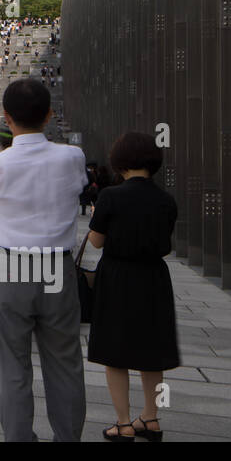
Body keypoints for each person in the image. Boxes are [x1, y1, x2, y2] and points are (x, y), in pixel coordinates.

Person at [0, 78, 87, 442]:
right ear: (49, 115)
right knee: (65, 362)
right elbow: (78, 187)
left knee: (13, 363)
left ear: (6, 118)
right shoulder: (72, 156)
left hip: (10, 265)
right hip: (56, 266)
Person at [87, 132, 180, 442]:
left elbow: (96, 242)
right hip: (154, 278)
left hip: (118, 276)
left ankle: (124, 423)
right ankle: (150, 419)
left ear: (120, 162)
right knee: (152, 350)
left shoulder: (111, 197)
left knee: (116, 351)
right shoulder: (166, 201)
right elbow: (164, 245)